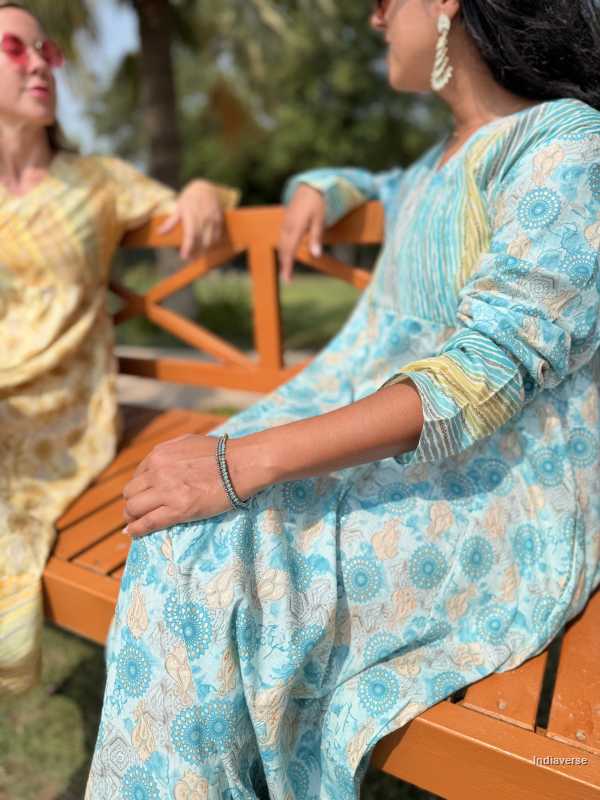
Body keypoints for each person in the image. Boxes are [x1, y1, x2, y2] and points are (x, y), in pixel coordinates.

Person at [87, 0, 600, 798]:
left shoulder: (566, 143)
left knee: (206, 548)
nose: (373, 19)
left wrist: (241, 460)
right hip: (397, 455)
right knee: (186, 535)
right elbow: (376, 184)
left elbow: (489, 371)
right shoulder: (439, 161)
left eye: (386, 2)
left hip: (503, 491)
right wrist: (320, 185)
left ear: (445, 6)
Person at [0, 1, 240, 696]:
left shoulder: (96, 181)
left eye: (46, 49)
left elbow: (178, 205)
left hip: (62, 415)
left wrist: (197, 190)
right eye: (16, 50)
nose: (41, 61)